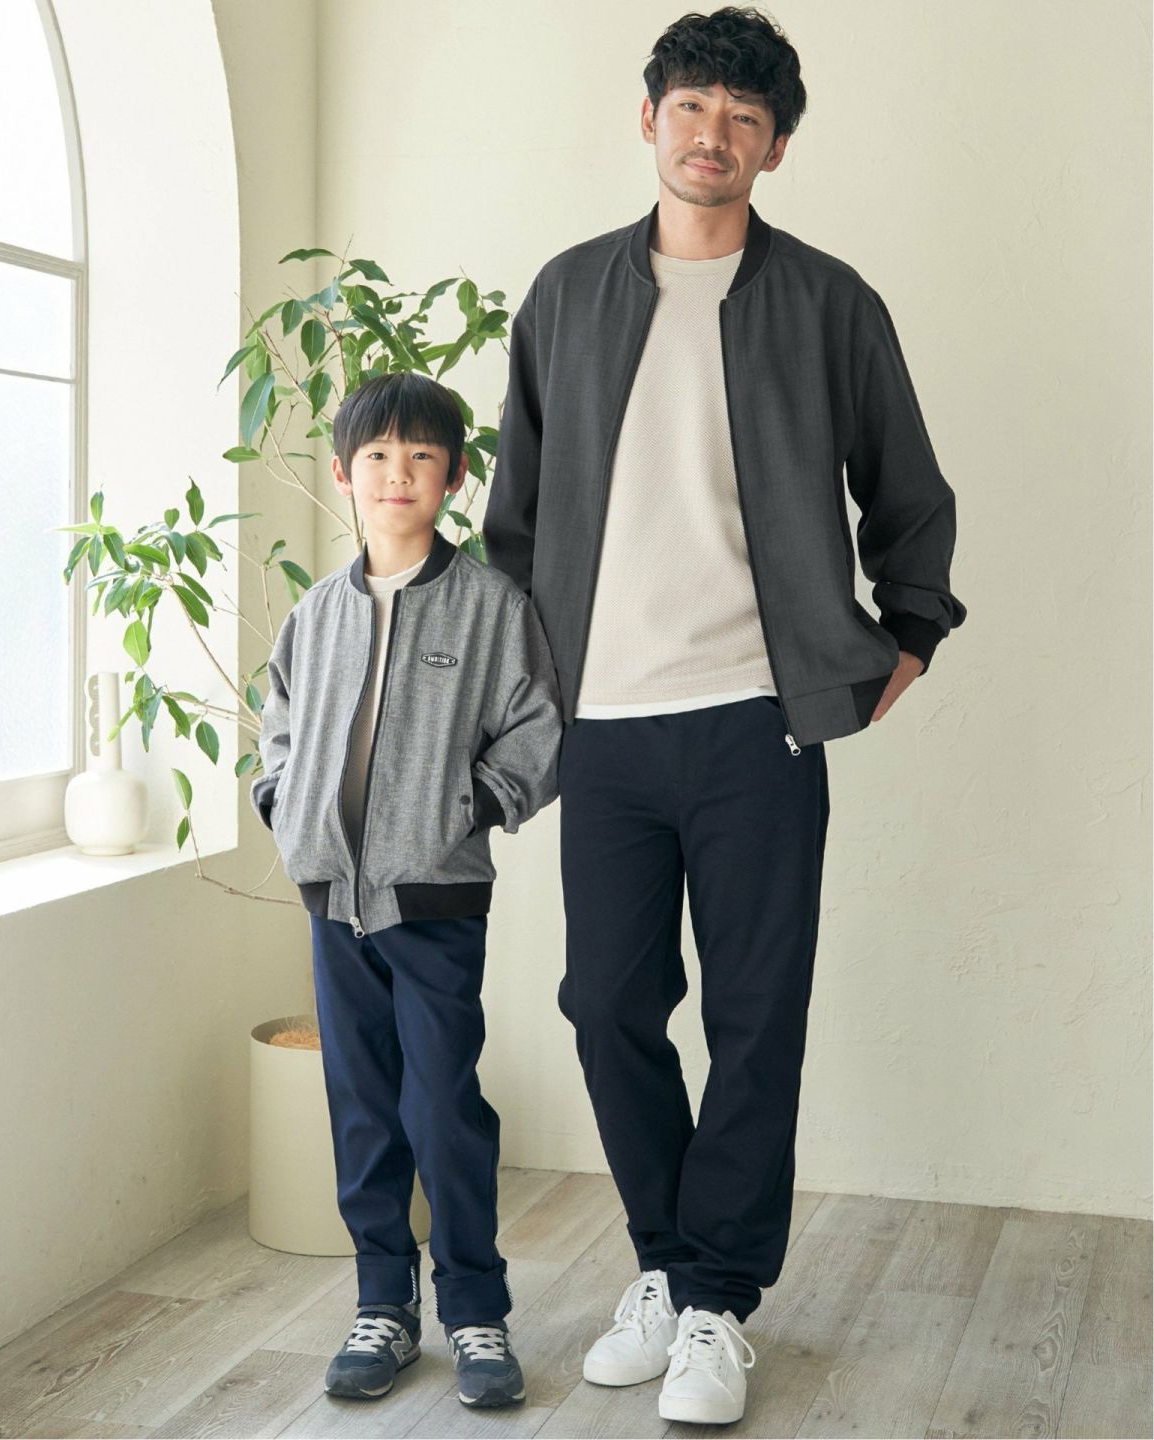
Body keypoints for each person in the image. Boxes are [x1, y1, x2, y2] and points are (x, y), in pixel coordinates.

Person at [484, 5, 967, 1427]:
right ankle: (667, 1264)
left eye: (746, 119)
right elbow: (515, 522)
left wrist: (907, 639)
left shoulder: (828, 303)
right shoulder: (566, 296)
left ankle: (713, 1304)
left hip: (759, 722)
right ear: (650, 120)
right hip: (605, 727)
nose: (715, 136)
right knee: (606, 1006)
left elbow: (909, 493)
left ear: (776, 147)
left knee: (758, 1018)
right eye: (693, 108)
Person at [251, 371, 563, 1409]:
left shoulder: (490, 606)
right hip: (332, 905)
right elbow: (280, 724)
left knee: (441, 1109)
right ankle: (382, 1304)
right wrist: (279, 800)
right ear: (344, 474)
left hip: (433, 905)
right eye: (378, 456)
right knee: (363, 1112)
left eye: (421, 456)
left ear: (453, 476)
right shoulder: (316, 613)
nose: (399, 474)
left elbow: (537, 726)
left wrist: (474, 805)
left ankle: (476, 1313)